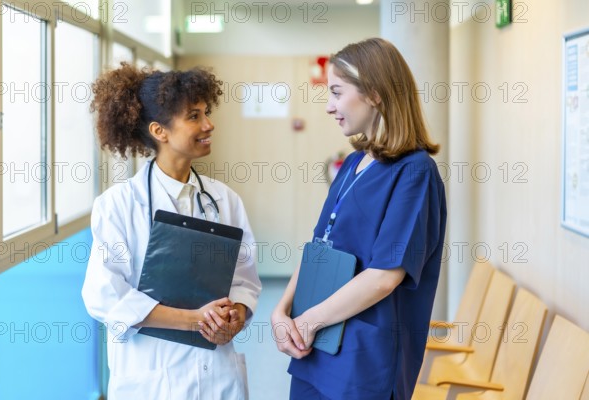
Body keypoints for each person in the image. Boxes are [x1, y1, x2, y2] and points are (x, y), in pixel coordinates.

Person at [271, 38, 447, 400]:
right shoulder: (353, 164)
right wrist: (281, 311)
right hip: (315, 345)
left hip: (364, 360)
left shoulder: (415, 173)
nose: (329, 106)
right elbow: (318, 248)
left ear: (376, 94)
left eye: (336, 92)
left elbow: (385, 276)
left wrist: (308, 321)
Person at [82, 63, 262, 400]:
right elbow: (105, 296)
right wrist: (194, 320)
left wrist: (235, 317)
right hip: (151, 379)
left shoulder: (226, 200)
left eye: (206, 112)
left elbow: (245, 280)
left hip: (217, 378)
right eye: (194, 116)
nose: (209, 124)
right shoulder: (118, 205)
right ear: (159, 131)